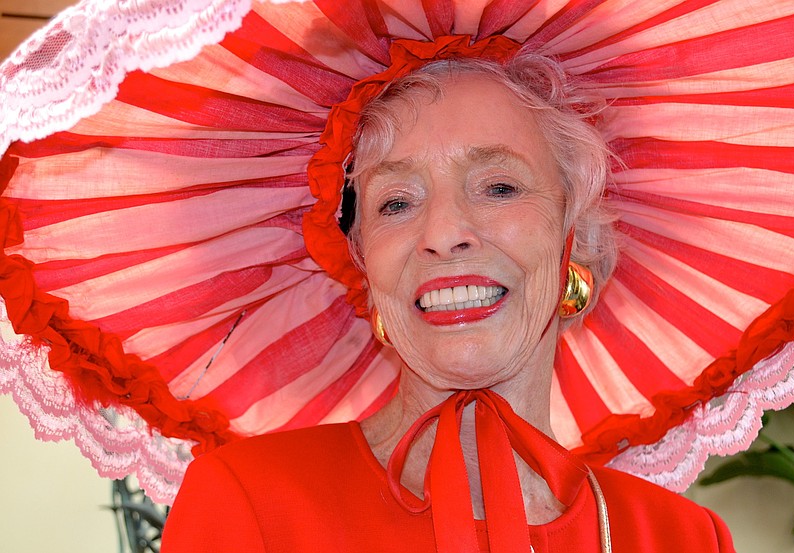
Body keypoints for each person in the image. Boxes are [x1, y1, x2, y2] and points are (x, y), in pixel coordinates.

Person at [161, 52, 735, 552]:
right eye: (395, 202)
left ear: (573, 237)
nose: (444, 231)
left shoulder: (685, 538)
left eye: (499, 187)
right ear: (363, 265)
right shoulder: (248, 503)